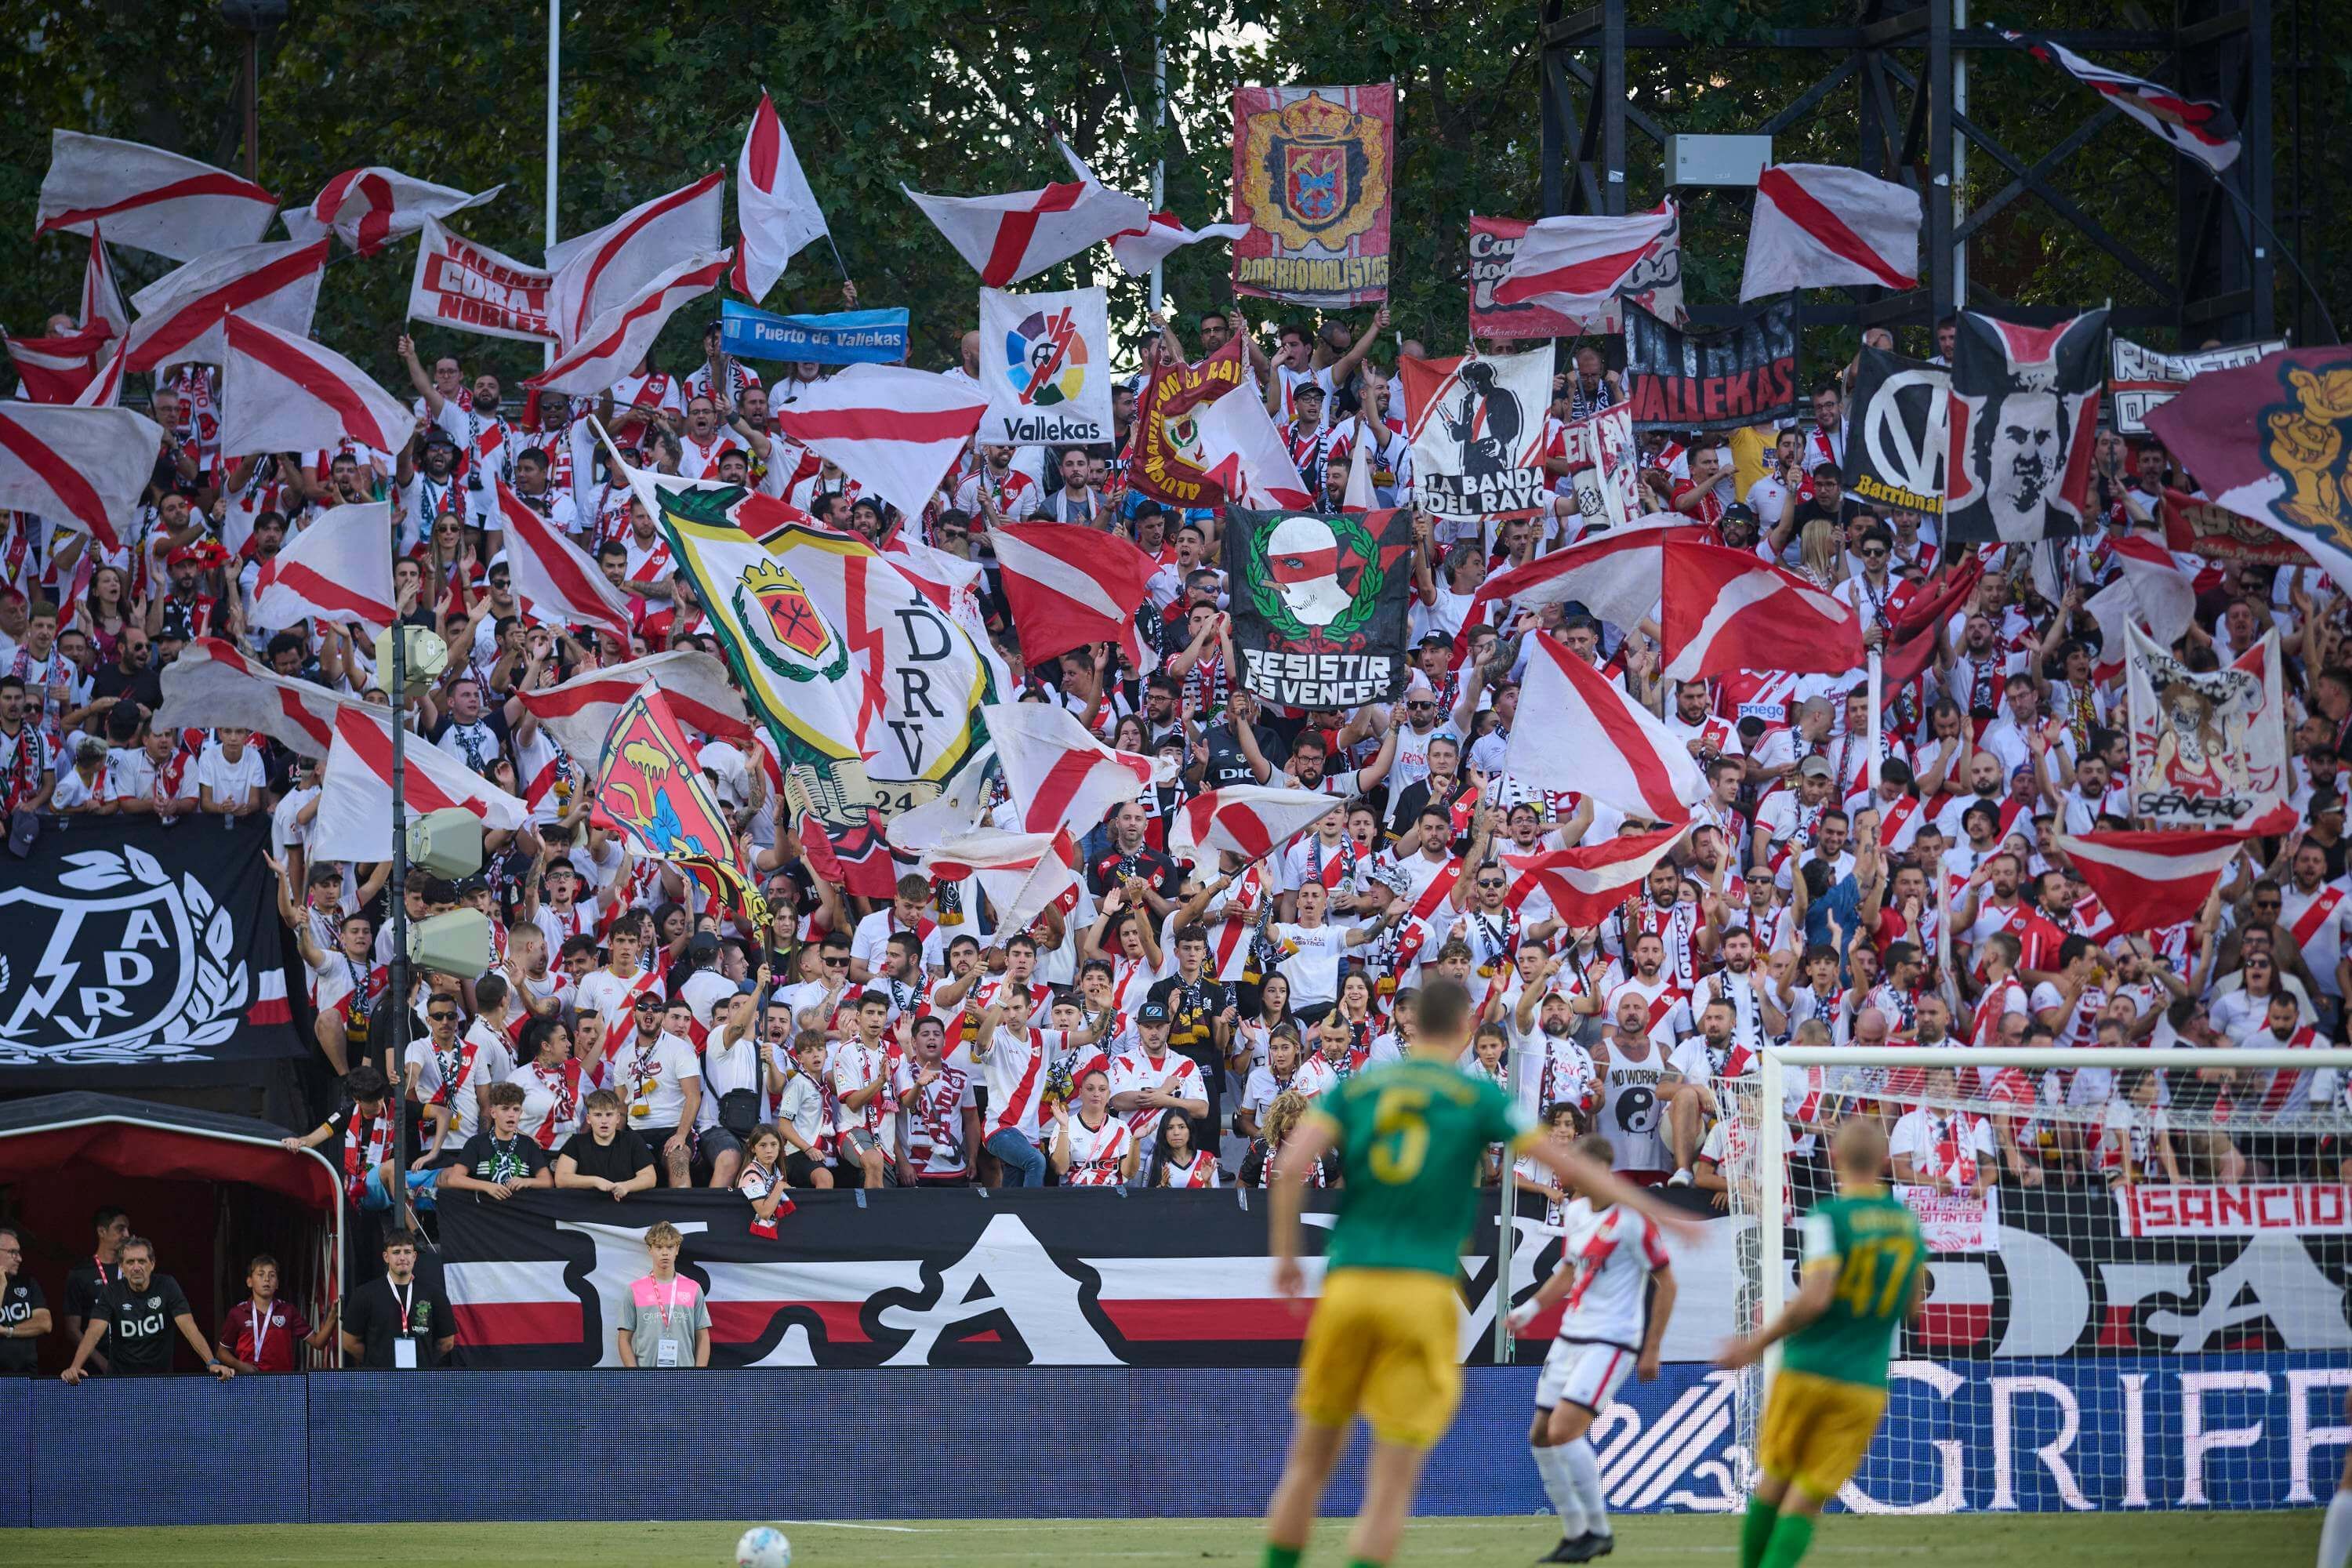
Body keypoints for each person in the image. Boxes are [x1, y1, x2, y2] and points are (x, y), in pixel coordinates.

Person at [1258, 978, 1689, 1568]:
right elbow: (1571, 1164)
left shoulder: (1360, 1085)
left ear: (1410, 1025)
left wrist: (1285, 1258)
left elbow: (1287, 1169)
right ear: (1466, 1028)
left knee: (1308, 1465)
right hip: (1422, 1291)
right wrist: (1664, 1211)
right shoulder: (1475, 1096)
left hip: (1351, 1284)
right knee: (1388, 1483)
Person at [1717, 1118, 1926, 1568]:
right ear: (1885, 1163)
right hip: (1864, 1382)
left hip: (1807, 1368)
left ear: (1834, 1159)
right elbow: (1914, 1309)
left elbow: (1815, 1298)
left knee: (1774, 1482)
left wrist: (1755, 1344)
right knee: (1807, 1500)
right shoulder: (1908, 1225)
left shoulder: (1829, 1217)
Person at [1508, 1132, 1679, 1563]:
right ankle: (1575, 1533)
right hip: (1572, 1333)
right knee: (1541, 1437)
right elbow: (1569, 1271)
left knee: (1564, 1430)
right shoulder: (1578, 1211)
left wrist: (1652, 1348)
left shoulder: (1633, 1220)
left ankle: (1599, 1531)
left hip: (1611, 1339)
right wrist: (1529, 1310)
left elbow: (1668, 1282)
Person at [60, 1236, 233, 1381]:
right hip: (120, 1381)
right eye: (130, 1262)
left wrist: (211, 1362)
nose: (136, 1267)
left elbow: (189, 1328)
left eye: (142, 1261)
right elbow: (93, 1333)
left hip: (160, 1381)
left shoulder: (167, 1285)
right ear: (121, 1267)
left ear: (152, 1264)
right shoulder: (112, 1291)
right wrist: (75, 1367)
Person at [341, 1229, 455, 1370]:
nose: (402, 1257)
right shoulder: (364, 1294)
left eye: (407, 1252)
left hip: (420, 1381)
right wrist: (376, 1363)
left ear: (414, 1256)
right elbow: (349, 1342)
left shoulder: (435, 1294)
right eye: (396, 1252)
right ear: (386, 1257)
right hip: (380, 1382)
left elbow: (447, 1343)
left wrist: (424, 1362)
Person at [216, 1253, 338, 1374]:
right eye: (261, 1274)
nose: (267, 1279)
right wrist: (241, 1366)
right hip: (248, 1383)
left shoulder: (288, 1311)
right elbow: (222, 1352)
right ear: (249, 1282)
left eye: (272, 1275)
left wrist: (332, 1317)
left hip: (282, 1384)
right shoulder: (238, 1313)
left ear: (277, 1284)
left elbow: (318, 1343)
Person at [617, 1221, 710, 1369]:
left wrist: (698, 1375)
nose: (665, 1252)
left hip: (685, 1379)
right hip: (646, 1379)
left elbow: (703, 1336)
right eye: (659, 1247)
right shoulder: (634, 1290)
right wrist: (634, 1376)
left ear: (677, 1250)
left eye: (670, 1247)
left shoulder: (693, 1288)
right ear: (650, 1249)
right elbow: (624, 1338)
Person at [555, 1087, 660, 1200]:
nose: (604, 1121)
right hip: (586, 1210)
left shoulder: (632, 1140)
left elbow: (650, 1178)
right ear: (589, 1119)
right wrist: (595, 1181)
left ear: (618, 1118)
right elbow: (561, 1179)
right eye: (598, 1115)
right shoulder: (576, 1143)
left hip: (626, 1208)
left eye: (609, 1114)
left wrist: (626, 1186)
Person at [61, 1203, 131, 1373]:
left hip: (133, 1363)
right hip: (96, 1368)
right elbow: (72, 1329)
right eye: (120, 1229)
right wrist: (103, 1363)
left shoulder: (133, 1270)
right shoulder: (80, 1274)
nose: (127, 1234)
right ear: (102, 1232)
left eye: (128, 1229)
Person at [0, 1225, 50, 1374]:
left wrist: (7, 1331)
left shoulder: (28, 1283)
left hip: (26, 1376)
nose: (20, 1259)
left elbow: (45, 1323)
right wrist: (1, 1286)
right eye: (13, 1253)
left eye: (19, 1252)